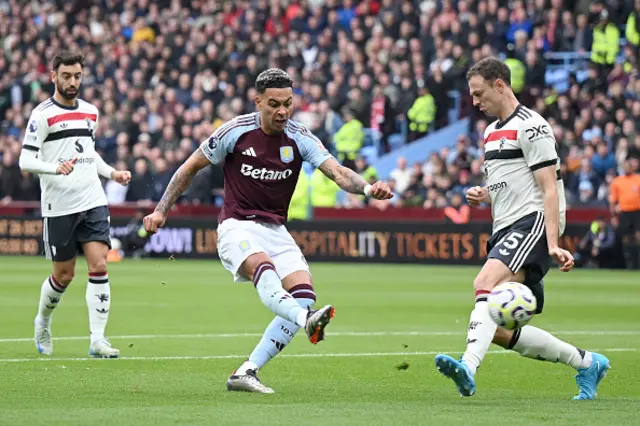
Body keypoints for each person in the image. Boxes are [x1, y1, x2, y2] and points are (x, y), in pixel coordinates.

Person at [143, 68, 393, 393]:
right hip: (236, 226)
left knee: (303, 296)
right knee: (268, 273)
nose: (282, 112)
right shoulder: (234, 132)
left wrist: (369, 189)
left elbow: (337, 172)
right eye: (274, 104)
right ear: (258, 101)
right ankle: (308, 321)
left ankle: (246, 371)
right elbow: (189, 168)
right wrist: (162, 209)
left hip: (276, 230)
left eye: (288, 103)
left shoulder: (299, 135)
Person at [434, 57, 610, 400]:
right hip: (505, 226)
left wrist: (554, 242)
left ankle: (468, 367)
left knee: (483, 284)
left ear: (501, 85)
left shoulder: (532, 126)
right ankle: (587, 363)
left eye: (479, 93)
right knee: (495, 329)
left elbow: (547, 188)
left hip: (532, 223)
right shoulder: (489, 132)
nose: (474, 102)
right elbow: (511, 184)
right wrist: (485, 195)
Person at [18, 51, 131, 358]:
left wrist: (112, 173)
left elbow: (88, 152)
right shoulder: (42, 115)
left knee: (99, 264)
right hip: (59, 206)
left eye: (77, 76)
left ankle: (97, 340)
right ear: (53, 76)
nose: (72, 81)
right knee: (64, 275)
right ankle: (42, 320)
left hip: (93, 199)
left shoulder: (91, 112)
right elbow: (25, 160)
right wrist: (55, 168)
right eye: (66, 76)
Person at [609, 157, 640, 269]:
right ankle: (629, 264)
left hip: (637, 212)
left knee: (638, 237)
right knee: (626, 238)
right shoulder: (617, 181)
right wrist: (613, 216)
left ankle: (637, 263)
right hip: (624, 212)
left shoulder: (638, 180)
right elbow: (613, 200)